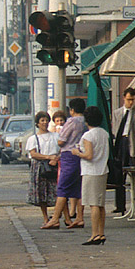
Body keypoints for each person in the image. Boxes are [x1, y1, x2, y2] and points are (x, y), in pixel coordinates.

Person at [72, 106, 110, 245]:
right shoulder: (104, 133)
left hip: (91, 171)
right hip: (103, 170)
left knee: (93, 204)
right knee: (100, 204)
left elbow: (88, 155)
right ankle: (101, 232)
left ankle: (94, 234)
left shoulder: (88, 136)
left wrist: (77, 153)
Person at [111, 87, 135, 216]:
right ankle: (120, 205)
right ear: (124, 98)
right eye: (128, 100)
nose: (131, 102)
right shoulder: (117, 113)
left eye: (133, 100)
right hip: (121, 143)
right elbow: (114, 130)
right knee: (119, 175)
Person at [52, 98, 87, 229]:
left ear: (72, 110)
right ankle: (80, 218)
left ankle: (55, 218)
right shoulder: (85, 121)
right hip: (81, 155)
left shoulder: (72, 121)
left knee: (62, 187)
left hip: (69, 155)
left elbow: (61, 141)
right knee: (78, 189)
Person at [28, 111, 60, 228]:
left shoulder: (55, 136)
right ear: (37, 123)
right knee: (42, 193)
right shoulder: (33, 138)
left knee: (57, 192)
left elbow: (60, 149)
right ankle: (46, 217)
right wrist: (47, 157)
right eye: (42, 120)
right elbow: (33, 154)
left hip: (54, 166)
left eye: (46, 120)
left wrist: (55, 159)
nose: (45, 123)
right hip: (40, 168)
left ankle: (59, 216)